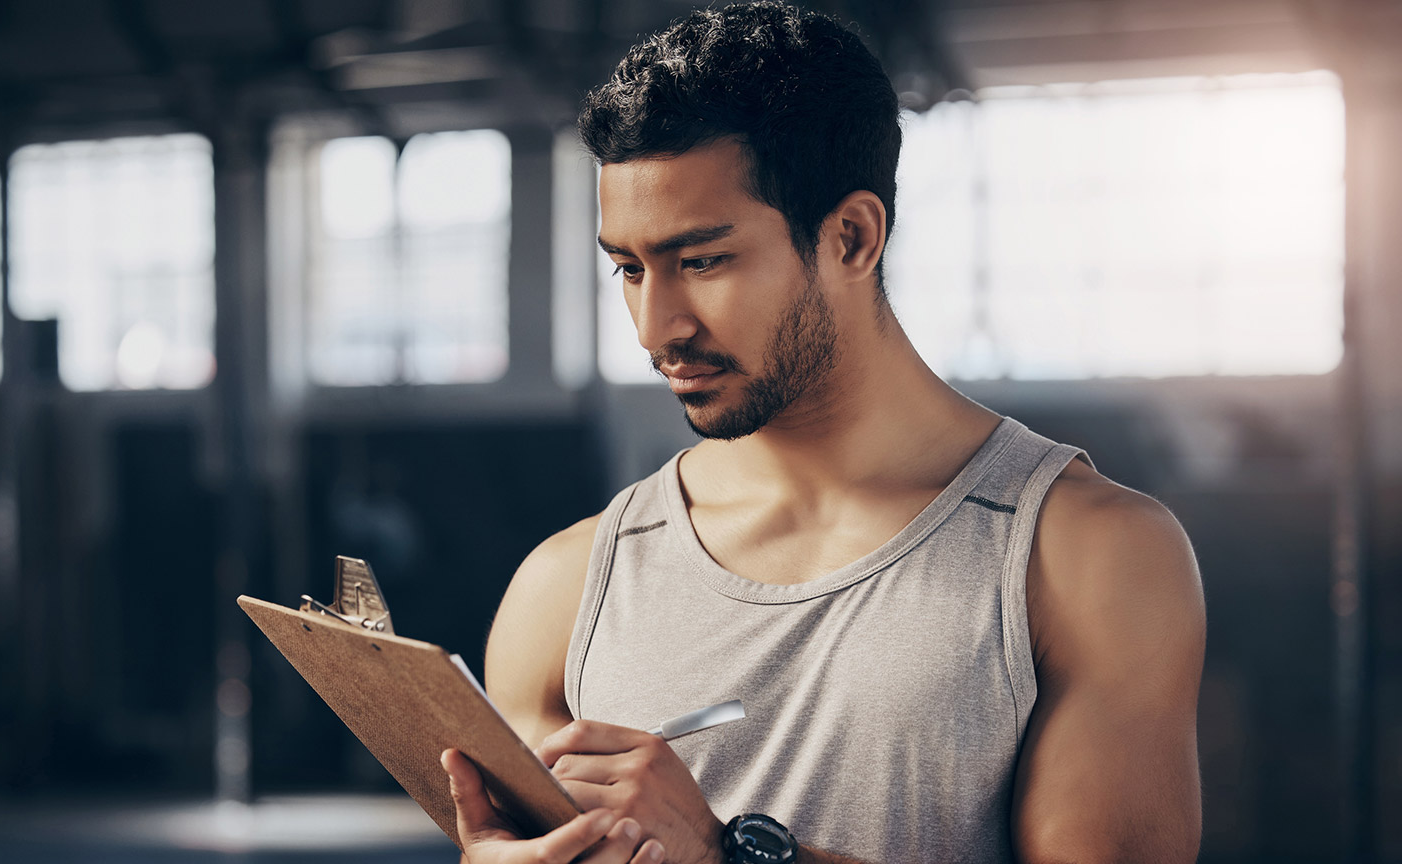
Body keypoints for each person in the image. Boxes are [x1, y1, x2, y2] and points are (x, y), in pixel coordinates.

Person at [440, 3, 1206, 863]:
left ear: (851, 237)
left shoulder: (1088, 555)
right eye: (629, 268)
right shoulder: (567, 584)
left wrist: (727, 852)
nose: (657, 326)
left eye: (701, 261)